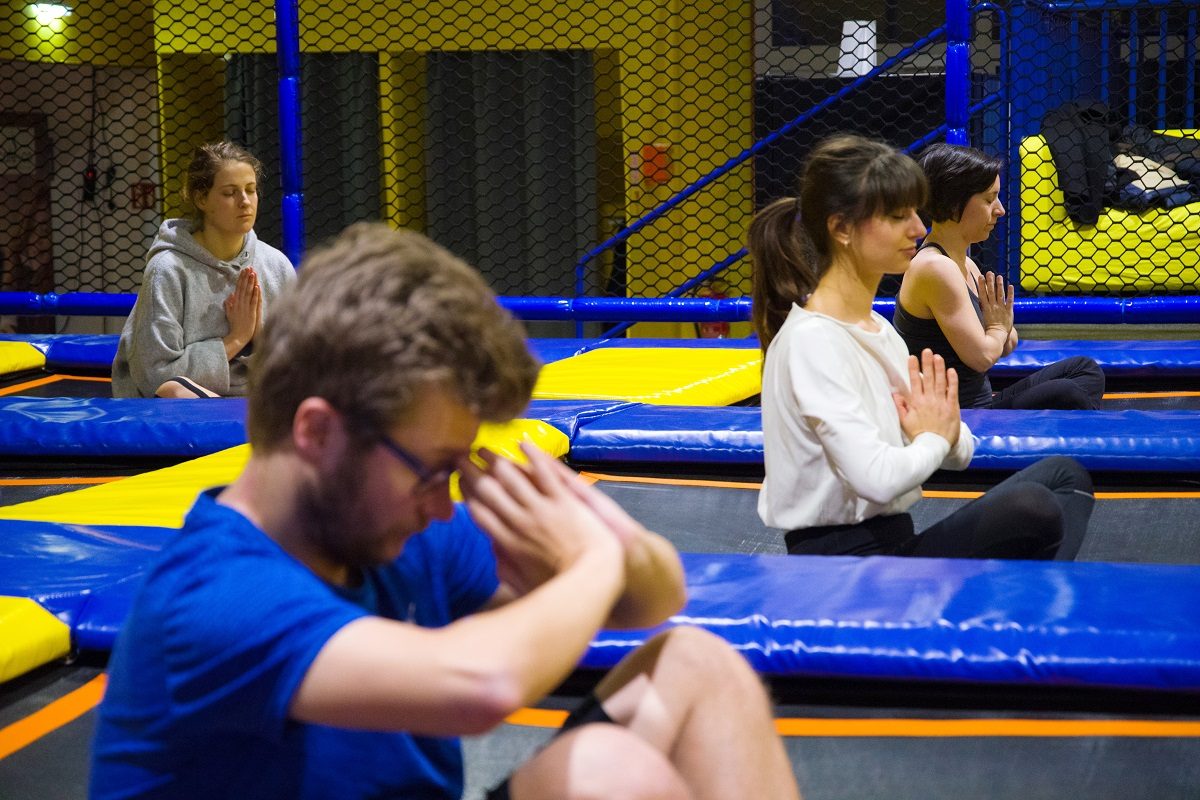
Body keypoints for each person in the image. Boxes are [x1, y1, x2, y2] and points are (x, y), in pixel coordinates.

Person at [91, 223, 801, 800]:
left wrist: (595, 525)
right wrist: (590, 559)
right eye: (432, 471)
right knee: (613, 776)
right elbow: (479, 685)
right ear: (317, 433)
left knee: (698, 663)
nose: (442, 503)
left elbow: (656, 597)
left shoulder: (396, 530)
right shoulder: (212, 595)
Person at [749, 134, 1093, 561]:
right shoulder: (812, 342)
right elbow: (876, 478)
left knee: (1064, 476)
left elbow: (960, 451)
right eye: (898, 216)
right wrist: (932, 437)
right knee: (1031, 507)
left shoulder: (879, 330)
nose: (917, 228)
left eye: (915, 212)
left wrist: (940, 430)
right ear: (841, 229)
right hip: (843, 568)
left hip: (894, 543)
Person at [894, 143, 1105, 409]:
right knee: (1067, 393)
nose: (1000, 209)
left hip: (983, 403)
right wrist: (997, 328)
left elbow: (1005, 344)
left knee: (1085, 370)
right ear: (954, 202)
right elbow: (982, 356)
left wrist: (1001, 328)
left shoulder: (966, 264)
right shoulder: (935, 267)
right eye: (988, 199)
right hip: (962, 416)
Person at [111, 141, 295, 398]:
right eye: (230, 193)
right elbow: (156, 377)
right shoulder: (168, 270)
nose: (245, 202)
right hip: (183, 408)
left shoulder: (276, 265)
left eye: (251, 190)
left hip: (259, 400)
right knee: (174, 391)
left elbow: (299, 364)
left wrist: (261, 336)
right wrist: (236, 339)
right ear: (201, 198)